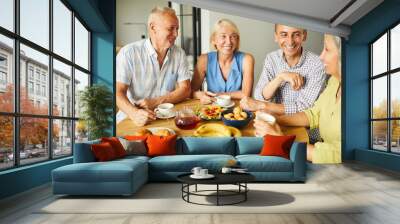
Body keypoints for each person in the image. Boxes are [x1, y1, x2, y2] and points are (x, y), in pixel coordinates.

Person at [254, 34, 342, 164]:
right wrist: (276, 119)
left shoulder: (359, 99)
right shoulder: (335, 81)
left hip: (329, 166)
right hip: (313, 150)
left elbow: (337, 155)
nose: (321, 56)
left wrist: (281, 139)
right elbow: (312, 114)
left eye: (327, 50)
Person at [116, 7, 192, 126]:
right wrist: (134, 113)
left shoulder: (179, 53)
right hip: (132, 119)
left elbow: (186, 90)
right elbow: (118, 93)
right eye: (171, 28)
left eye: (177, 29)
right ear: (153, 28)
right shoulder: (128, 53)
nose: (176, 34)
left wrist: (155, 102)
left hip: (167, 118)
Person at [240, 24, 326, 116]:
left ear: (304, 36)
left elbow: (306, 107)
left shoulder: (317, 64)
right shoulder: (271, 58)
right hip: (274, 121)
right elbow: (260, 96)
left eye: (296, 34)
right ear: (276, 37)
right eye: (284, 35)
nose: (290, 42)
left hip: (302, 128)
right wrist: (280, 77)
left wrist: (262, 105)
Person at [191, 19, 254, 105]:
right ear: (214, 40)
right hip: (211, 111)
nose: (228, 42)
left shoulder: (247, 59)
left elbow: (246, 94)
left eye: (233, 36)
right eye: (223, 36)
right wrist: (201, 95)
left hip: (238, 113)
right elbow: (191, 92)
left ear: (237, 40)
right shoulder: (204, 60)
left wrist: (217, 95)